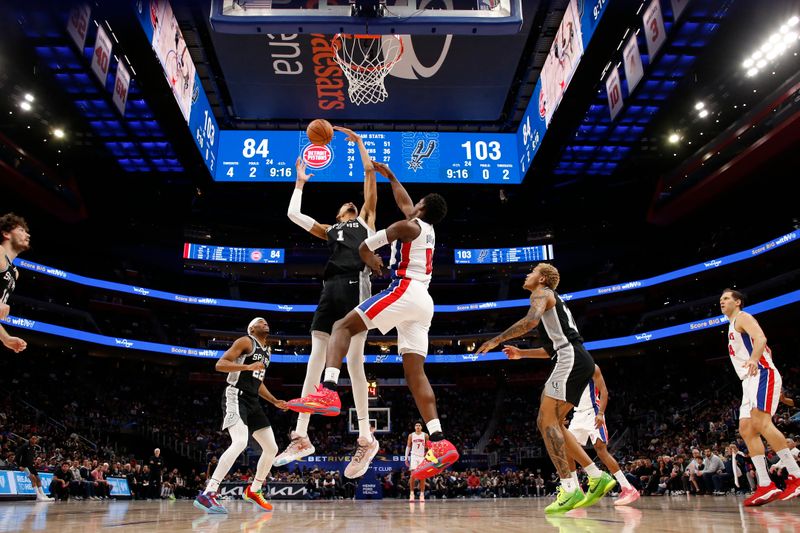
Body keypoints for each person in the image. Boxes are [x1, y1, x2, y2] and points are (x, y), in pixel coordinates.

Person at [287, 161, 457, 481]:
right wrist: (391, 175)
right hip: (425, 303)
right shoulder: (427, 228)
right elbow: (405, 201)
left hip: (404, 290)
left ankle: (328, 388)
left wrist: (373, 260)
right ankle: (439, 440)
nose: (410, 205)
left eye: (414, 205)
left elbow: (367, 246)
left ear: (420, 208)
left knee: (342, 326)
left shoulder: (406, 227)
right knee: (414, 371)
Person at [476, 263, 615, 513]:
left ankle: (571, 487)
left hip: (569, 358)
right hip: (572, 356)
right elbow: (551, 349)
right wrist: (521, 353)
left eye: (532, 272)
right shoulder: (553, 302)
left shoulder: (541, 293)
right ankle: (595, 476)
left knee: (545, 420)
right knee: (555, 423)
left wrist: (497, 338)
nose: (528, 275)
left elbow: (530, 321)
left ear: (541, 279)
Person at [277, 126, 377, 467]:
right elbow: (293, 215)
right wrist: (300, 183)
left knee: (354, 363)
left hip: (356, 285)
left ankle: (366, 435)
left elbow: (368, 173)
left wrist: (360, 143)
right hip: (330, 288)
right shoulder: (329, 229)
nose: (349, 204)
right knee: (315, 358)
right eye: (343, 206)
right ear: (337, 216)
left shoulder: (367, 220)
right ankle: (301, 435)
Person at [194, 318, 287, 514]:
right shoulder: (246, 341)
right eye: (261, 322)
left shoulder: (267, 352)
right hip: (236, 394)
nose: (266, 323)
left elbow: (258, 381)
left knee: (271, 448)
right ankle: (208, 493)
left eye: (266, 321)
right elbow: (220, 364)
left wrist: (274, 401)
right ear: (252, 328)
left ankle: (254, 490)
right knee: (240, 442)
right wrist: (246, 367)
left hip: (253, 400)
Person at [719, 288, 800, 505]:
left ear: (738, 302)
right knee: (746, 429)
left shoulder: (743, 317)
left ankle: (797, 475)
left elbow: (761, 337)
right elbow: (767, 348)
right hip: (749, 381)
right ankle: (765, 484)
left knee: (762, 423)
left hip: (760, 373)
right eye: (721, 299)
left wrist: (756, 359)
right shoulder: (731, 325)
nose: (722, 301)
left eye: (726, 298)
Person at [564, 364, 639, 506]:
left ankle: (628, 488)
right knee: (568, 450)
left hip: (593, 412)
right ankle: (576, 490)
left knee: (601, 451)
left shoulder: (591, 367)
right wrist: (562, 414)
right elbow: (570, 400)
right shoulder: (568, 373)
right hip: (577, 415)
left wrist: (600, 413)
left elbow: (604, 391)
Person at [0, 212, 30, 353]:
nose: (27, 235)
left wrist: (5, 338)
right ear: (6, 234)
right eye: (21, 230)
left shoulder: (15, 273)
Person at [15, 435, 52, 501]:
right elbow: (17, 456)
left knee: (38, 479)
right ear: (30, 439)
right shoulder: (25, 446)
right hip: (25, 466)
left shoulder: (34, 447)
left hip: (31, 465)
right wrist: (19, 466)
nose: (34, 440)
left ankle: (42, 494)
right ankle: (38, 496)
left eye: (35, 439)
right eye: (33, 439)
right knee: (33, 479)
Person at [406, 422, 429, 500]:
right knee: (412, 475)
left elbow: (428, 447)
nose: (418, 426)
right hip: (414, 456)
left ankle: (422, 494)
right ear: (414, 427)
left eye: (419, 425)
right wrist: (406, 458)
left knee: (423, 476)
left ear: (421, 427)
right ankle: (411, 493)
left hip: (422, 456)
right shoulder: (411, 435)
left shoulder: (425, 435)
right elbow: (408, 446)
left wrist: (428, 456)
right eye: (416, 425)